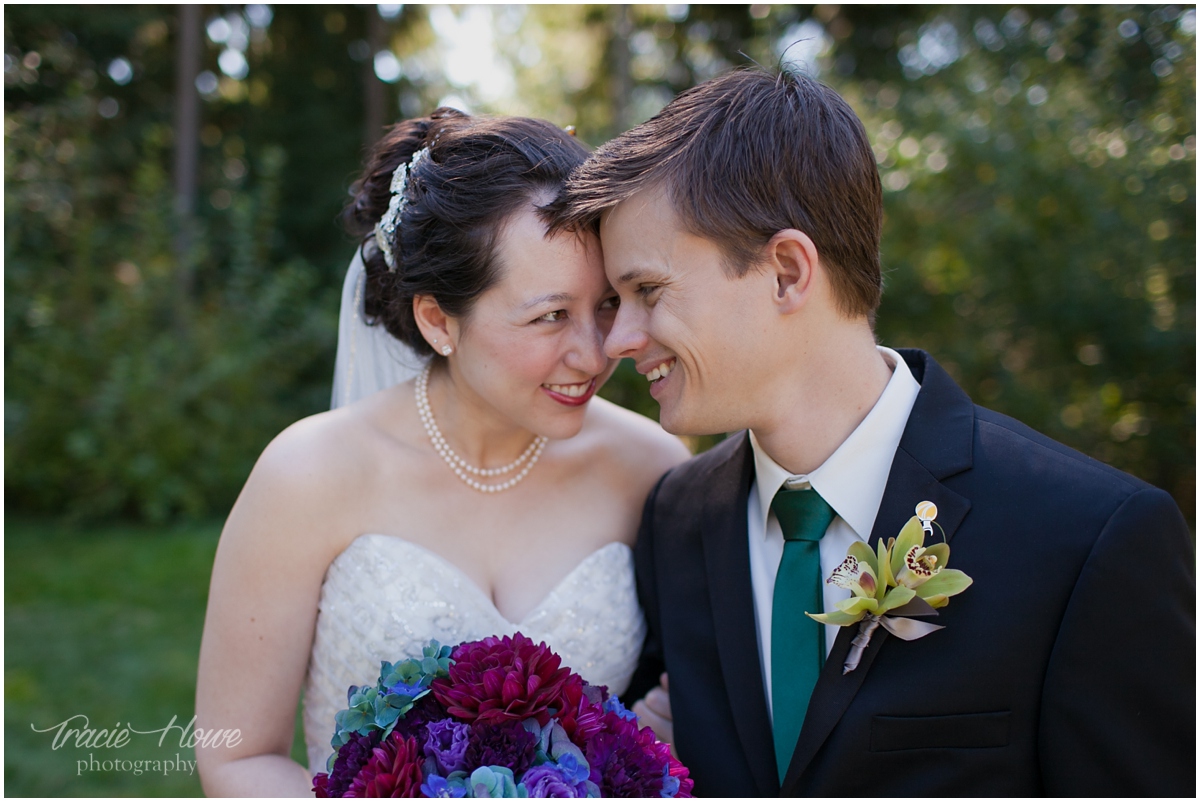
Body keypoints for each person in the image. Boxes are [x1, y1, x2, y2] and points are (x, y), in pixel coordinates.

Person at [550, 68, 1195, 797]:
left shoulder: (1089, 540)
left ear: (788, 272)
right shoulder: (676, 520)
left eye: (647, 292)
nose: (617, 341)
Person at [194, 109, 689, 796]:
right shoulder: (306, 477)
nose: (597, 349)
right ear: (437, 319)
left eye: (605, 304)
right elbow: (238, 756)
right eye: (550, 315)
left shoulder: (652, 469)